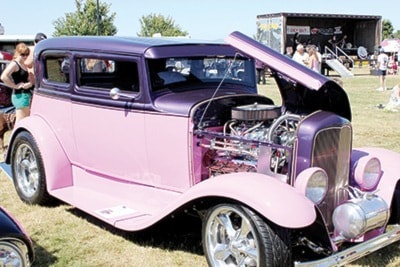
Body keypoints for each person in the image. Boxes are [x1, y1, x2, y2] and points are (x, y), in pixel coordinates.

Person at [0, 43, 33, 123]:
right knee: (21, 122)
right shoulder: (15, 64)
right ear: (18, 53)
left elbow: (28, 79)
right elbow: (3, 76)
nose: (25, 56)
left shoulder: (23, 64)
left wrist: (30, 83)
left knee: (24, 120)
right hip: (20, 96)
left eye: (27, 54)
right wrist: (15, 86)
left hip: (24, 94)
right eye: (23, 54)